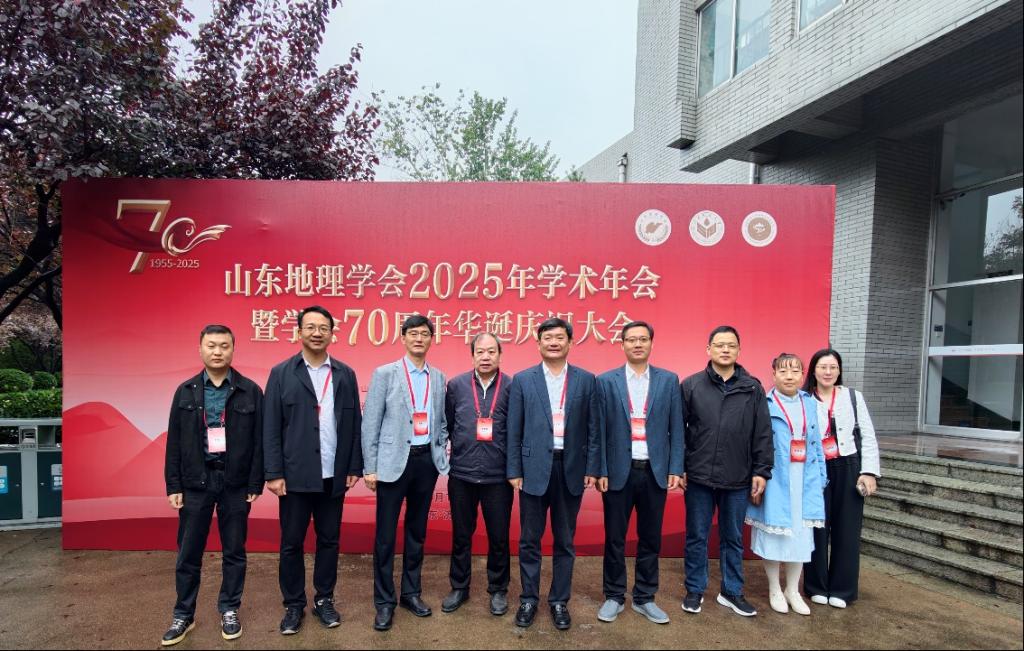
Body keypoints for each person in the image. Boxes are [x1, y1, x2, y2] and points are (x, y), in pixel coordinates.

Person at [162, 324, 264, 646]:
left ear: (233, 349)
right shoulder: (185, 391)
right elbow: (174, 441)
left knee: (234, 551)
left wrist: (255, 482)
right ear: (200, 349)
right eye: (211, 345)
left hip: (235, 483)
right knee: (188, 553)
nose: (217, 351)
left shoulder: (250, 391)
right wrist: (173, 485)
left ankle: (229, 609)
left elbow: (259, 442)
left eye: (224, 346)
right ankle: (183, 614)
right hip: (196, 482)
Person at [263, 306, 363, 635]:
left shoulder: (345, 374)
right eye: (310, 327)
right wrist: (273, 472)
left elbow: (354, 422)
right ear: (299, 332)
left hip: (333, 474)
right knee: (291, 542)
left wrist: (353, 465)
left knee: (329, 540)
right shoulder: (282, 373)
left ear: (332, 333)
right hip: (294, 475)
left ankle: (324, 599)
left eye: (323, 327)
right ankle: (293, 605)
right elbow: (270, 426)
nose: (317, 332)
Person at [507, 317, 602, 631]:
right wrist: (514, 469)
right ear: (538, 343)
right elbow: (514, 429)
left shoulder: (586, 380)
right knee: (529, 540)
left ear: (570, 342)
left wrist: (592, 467)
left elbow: (593, 429)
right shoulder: (523, 380)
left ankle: (559, 601)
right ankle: (528, 599)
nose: (553, 342)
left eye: (560, 337)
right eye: (547, 337)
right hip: (532, 470)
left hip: (570, 468)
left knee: (565, 541)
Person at [362, 315, 450, 632]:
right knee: (385, 537)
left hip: (425, 463)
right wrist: (370, 467)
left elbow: (441, 420)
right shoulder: (385, 373)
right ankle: (384, 602)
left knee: (417, 533)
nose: (418, 339)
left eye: (424, 334)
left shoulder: (438, 377)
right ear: (403, 338)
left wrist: (441, 450)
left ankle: (410, 593)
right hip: (391, 464)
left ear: (431, 339)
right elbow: (370, 422)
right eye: (413, 333)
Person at [680, 325, 773, 618]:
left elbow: (762, 432)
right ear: (708, 349)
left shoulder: (752, 388)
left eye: (731, 345)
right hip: (698, 476)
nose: (725, 350)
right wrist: (680, 467)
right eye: (719, 345)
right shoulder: (691, 385)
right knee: (697, 536)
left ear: (739, 350)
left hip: (738, 477)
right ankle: (694, 589)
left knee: (732, 537)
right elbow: (678, 431)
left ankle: (732, 591)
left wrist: (761, 470)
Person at [595, 321, 684, 625]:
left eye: (643, 339)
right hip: (617, 473)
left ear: (651, 344)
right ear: (622, 345)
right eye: (631, 340)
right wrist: (600, 469)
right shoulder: (606, 381)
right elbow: (599, 431)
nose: (637, 344)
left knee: (650, 538)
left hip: (654, 472)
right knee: (614, 538)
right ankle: (614, 595)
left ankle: (645, 597)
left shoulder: (668, 380)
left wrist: (675, 467)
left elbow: (677, 428)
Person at [745, 353, 827, 615]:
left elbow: (817, 443)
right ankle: (774, 588)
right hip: (776, 477)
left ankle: (793, 589)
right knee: (774, 536)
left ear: (803, 375)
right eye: (783, 371)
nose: (789, 377)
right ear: (773, 375)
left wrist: (821, 475)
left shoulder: (811, 404)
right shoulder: (765, 403)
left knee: (801, 536)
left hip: (805, 478)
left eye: (794, 371)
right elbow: (755, 442)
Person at [441, 332, 514, 616]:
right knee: (461, 535)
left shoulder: (511, 386)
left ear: (500, 355)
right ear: (472, 355)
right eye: (480, 352)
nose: (485, 357)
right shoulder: (456, 385)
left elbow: (516, 429)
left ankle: (498, 589)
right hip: (462, 474)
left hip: (498, 477)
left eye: (491, 352)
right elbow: (448, 424)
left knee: (499, 537)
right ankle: (459, 587)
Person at [802, 348, 881, 609]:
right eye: (822, 367)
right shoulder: (804, 399)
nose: (828, 372)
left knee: (847, 528)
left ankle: (842, 589)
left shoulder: (853, 397)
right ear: (813, 370)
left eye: (833, 367)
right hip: (816, 468)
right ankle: (816, 586)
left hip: (848, 466)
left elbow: (867, 435)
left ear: (839, 370)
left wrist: (869, 472)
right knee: (816, 527)